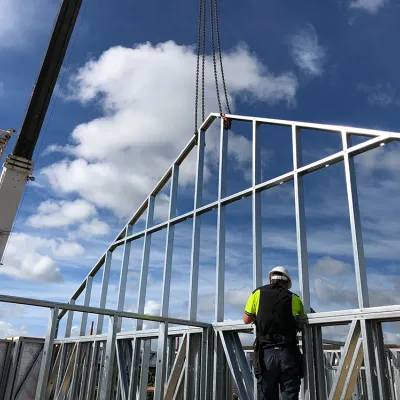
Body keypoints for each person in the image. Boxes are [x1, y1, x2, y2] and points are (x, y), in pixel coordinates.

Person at [243, 266, 305, 400]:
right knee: (290, 394)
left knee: (267, 394)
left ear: (271, 281)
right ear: (287, 284)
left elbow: (246, 320)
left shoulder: (257, 293)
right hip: (288, 352)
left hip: (266, 353)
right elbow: (301, 320)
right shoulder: (294, 298)